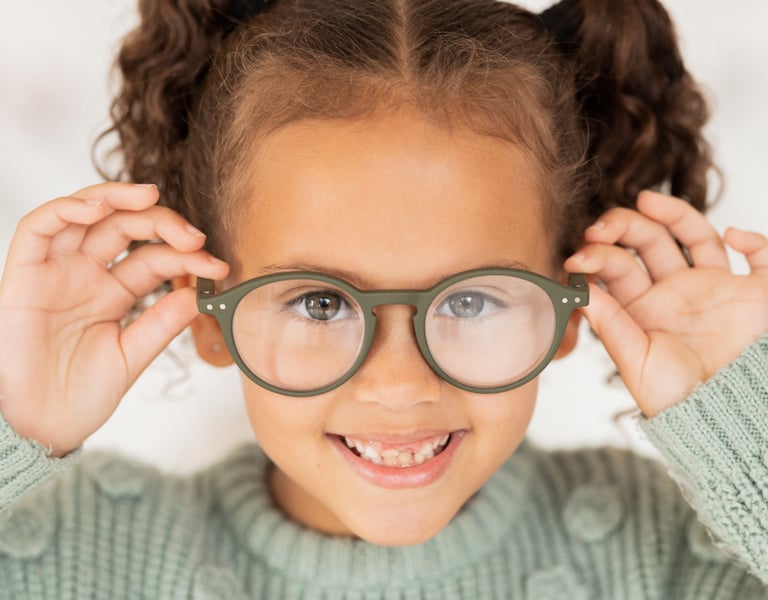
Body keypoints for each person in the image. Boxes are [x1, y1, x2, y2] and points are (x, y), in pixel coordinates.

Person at [1, 0, 767, 597]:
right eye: (320, 303)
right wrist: (13, 416)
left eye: (470, 301)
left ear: (569, 303)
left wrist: (746, 434)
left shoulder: (676, 553)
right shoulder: (74, 555)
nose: (400, 386)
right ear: (208, 311)